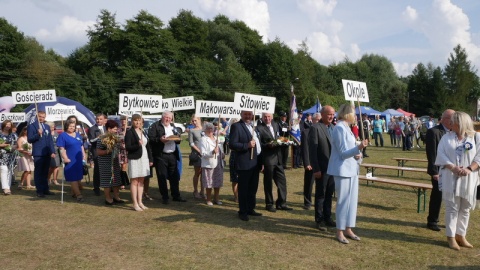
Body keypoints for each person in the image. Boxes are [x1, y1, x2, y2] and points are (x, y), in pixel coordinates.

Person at [434, 111, 480, 250]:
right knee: (452, 207)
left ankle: (461, 235)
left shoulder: (476, 138)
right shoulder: (446, 138)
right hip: (450, 176)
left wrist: (469, 169)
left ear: (461, 123)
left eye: (453, 121)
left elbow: (479, 156)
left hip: (469, 178)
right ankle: (451, 237)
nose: (450, 123)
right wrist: (453, 167)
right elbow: (440, 155)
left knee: (465, 207)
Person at [326, 104, 368, 244]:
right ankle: (339, 231)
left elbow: (352, 150)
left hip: (352, 169)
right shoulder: (339, 128)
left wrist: (359, 153)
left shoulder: (347, 128)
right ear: (347, 114)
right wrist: (359, 147)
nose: (355, 116)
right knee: (343, 202)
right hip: (342, 170)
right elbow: (343, 153)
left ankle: (348, 228)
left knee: (352, 202)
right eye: (354, 114)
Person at [229, 110, 262, 221]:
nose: (248, 116)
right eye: (245, 114)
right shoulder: (236, 126)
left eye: (250, 114)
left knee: (253, 188)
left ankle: (250, 208)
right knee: (243, 188)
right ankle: (242, 211)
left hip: (255, 163)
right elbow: (232, 144)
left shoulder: (254, 127)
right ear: (241, 115)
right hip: (244, 163)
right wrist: (246, 145)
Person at [425, 109, 455, 231]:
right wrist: (434, 172)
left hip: (451, 170)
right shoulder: (434, 131)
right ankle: (432, 221)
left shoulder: (454, 132)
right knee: (437, 195)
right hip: (439, 170)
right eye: (452, 119)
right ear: (445, 119)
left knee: (451, 198)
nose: (454, 121)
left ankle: (450, 221)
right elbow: (431, 154)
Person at [148, 111, 186, 204]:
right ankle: (165, 197)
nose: (168, 119)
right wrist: (160, 140)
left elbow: (178, 138)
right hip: (161, 155)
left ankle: (176, 195)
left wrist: (177, 138)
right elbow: (151, 139)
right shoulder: (155, 126)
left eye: (170, 118)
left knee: (174, 176)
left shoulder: (173, 126)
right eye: (166, 117)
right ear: (162, 117)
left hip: (172, 154)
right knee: (162, 177)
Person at [309, 106, 337, 231]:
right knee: (321, 194)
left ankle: (328, 217)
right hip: (322, 168)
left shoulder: (334, 128)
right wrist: (316, 169)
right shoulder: (315, 128)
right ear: (322, 114)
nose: (331, 116)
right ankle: (319, 220)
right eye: (329, 114)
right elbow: (313, 151)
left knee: (329, 194)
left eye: (332, 114)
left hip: (333, 168)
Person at [257, 112, 292, 212]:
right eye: (265, 117)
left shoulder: (275, 125)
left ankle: (281, 203)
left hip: (278, 158)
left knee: (282, 182)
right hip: (268, 159)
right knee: (268, 183)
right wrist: (268, 145)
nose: (267, 118)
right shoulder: (259, 128)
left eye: (269, 117)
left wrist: (284, 140)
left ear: (272, 117)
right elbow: (260, 145)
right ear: (262, 118)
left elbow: (279, 137)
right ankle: (269, 203)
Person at [125, 114, 153, 211]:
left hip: (144, 158)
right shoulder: (129, 133)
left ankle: (140, 202)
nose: (137, 122)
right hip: (134, 158)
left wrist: (150, 159)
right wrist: (137, 144)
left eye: (139, 120)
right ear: (132, 121)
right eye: (135, 120)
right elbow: (127, 147)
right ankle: (135, 203)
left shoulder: (143, 132)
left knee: (141, 180)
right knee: (134, 181)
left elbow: (148, 147)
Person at [27, 111, 56, 198]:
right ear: (37, 116)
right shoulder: (31, 126)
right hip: (38, 153)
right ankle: (39, 191)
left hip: (47, 152)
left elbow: (50, 140)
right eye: (40, 116)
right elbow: (30, 139)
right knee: (39, 172)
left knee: (45, 172)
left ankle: (45, 189)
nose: (42, 118)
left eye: (43, 117)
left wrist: (52, 151)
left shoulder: (47, 126)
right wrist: (37, 134)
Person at [56, 120, 86, 202]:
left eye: (73, 126)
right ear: (66, 126)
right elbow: (61, 148)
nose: (72, 128)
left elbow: (81, 145)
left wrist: (83, 155)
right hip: (70, 159)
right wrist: (65, 158)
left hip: (78, 159)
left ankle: (74, 192)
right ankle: (78, 195)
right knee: (73, 177)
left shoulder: (78, 135)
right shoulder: (63, 135)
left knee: (78, 177)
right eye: (70, 126)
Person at [97, 120, 125, 205]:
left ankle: (116, 197)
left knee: (116, 180)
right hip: (105, 163)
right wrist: (108, 151)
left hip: (115, 162)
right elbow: (98, 152)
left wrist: (121, 146)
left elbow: (119, 148)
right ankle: (108, 198)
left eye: (117, 129)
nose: (116, 131)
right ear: (109, 129)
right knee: (107, 182)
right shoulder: (101, 138)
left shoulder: (116, 138)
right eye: (115, 129)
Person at [200, 122, 224, 205]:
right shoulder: (203, 139)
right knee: (209, 182)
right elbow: (203, 153)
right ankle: (209, 199)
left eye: (211, 128)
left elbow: (220, 149)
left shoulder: (216, 138)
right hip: (209, 164)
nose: (210, 130)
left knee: (217, 182)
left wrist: (222, 153)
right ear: (205, 130)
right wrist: (212, 152)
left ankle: (216, 199)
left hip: (218, 163)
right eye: (208, 128)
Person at [301, 112, 320, 210]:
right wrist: (307, 163)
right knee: (309, 184)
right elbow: (305, 149)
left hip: (321, 162)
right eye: (316, 120)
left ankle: (319, 202)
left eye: (319, 120)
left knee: (320, 185)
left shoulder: (323, 131)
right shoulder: (306, 132)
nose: (318, 122)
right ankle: (307, 202)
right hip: (311, 163)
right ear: (312, 120)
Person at [88, 113, 106, 196]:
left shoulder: (106, 128)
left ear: (104, 120)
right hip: (96, 150)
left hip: (106, 150)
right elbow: (91, 141)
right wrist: (98, 138)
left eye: (100, 119)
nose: (99, 120)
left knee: (106, 169)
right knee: (97, 170)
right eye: (97, 119)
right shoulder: (92, 129)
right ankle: (96, 188)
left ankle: (107, 186)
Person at [188, 115, 204, 199]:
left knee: (204, 174)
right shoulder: (192, 131)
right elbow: (191, 143)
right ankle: (195, 191)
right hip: (197, 154)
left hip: (205, 155)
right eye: (193, 121)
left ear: (199, 120)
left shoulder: (204, 129)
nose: (194, 122)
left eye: (195, 120)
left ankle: (202, 191)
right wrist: (199, 151)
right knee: (197, 173)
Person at [1, 120, 17, 195]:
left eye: (9, 125)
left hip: (11, 155)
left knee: (10, 170)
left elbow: (17, 143)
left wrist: (14, 147)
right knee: (4, 169)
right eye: (6, 124)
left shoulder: (13, 134)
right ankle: (5, 188)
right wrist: (2, 145)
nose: (8, 126)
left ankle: (8, 186)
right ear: (3, 125)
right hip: (2, 155)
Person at [228, 118, 240, 202]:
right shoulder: (231, 135)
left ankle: (241, 194)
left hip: (242, 156)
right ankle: (236, 196)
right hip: (234, 156)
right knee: (235, 178)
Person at [47, 122, 60, 186]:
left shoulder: (56, 133)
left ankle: (55, 179)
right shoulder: (47, 134)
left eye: (53, 127)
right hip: (50, 152)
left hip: (57, 151)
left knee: (57, 167)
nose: (52, 128)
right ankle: (48, 178)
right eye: (51, 127)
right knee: (52, 166)